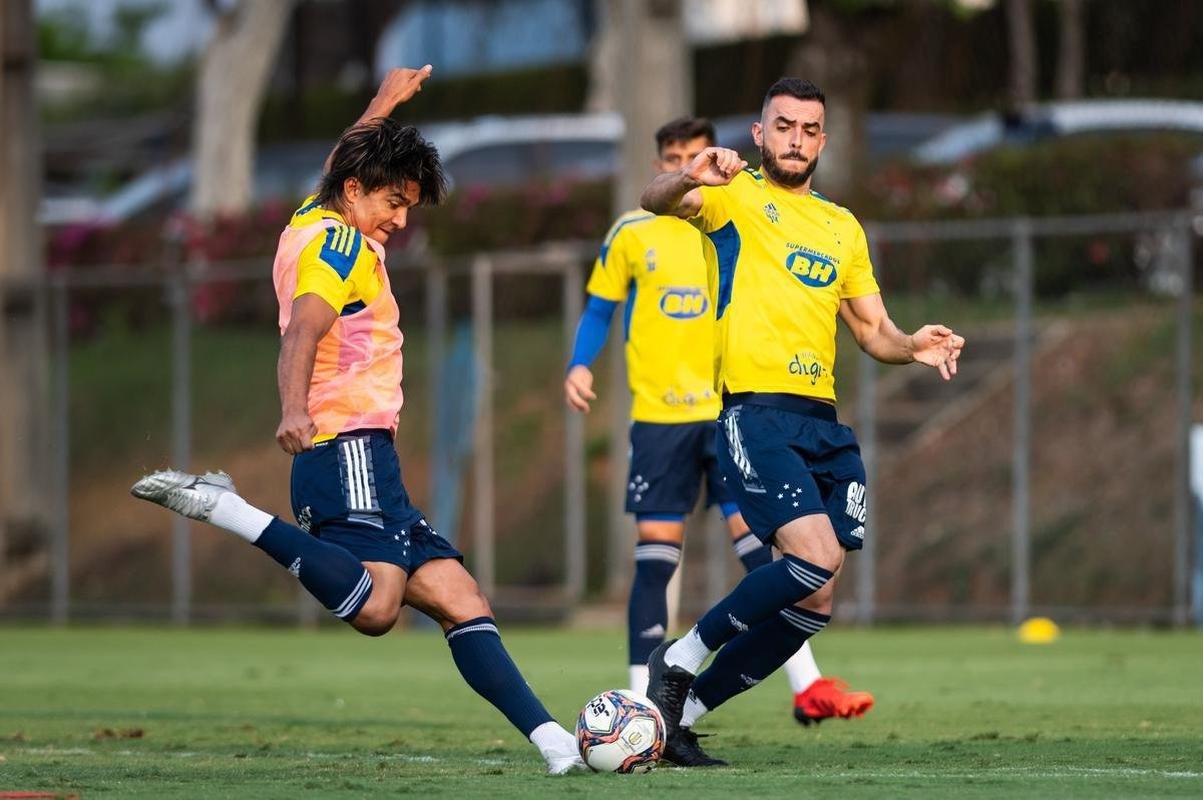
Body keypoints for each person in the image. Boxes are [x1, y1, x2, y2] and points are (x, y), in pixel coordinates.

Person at [131, 65, 586, 776]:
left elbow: (345, 160)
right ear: (355, 192)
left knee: (461, 598)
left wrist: (384, 104)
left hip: (372, 457)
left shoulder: (317, 217)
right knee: (377, 610)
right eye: (394, 202)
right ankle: (228, 510)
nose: (401, 220)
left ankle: (555, 745)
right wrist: (291, 407)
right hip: (342, 445)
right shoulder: (338, 246)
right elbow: (303, 332)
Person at [639, 78, 965, 766]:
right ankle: (682, 655)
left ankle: (680, 718)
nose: (794, 138)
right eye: (781, 125)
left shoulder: (840, 226)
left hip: (822, 422)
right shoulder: (730, 196)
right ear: (759, 134)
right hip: (752, 411)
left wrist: (912, 345)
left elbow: (873, 331)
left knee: (816, 601)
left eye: (808, 129)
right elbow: (652, 201)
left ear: (822, 138)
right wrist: (685, 175)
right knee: (810, 558)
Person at [564, 117, 874, 733]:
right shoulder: (636, 231)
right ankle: (642, 701)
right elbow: (600, 307)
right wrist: (578, 363)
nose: (682, 164)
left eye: (692, 155)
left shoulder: (732, 212)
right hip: (661, 415)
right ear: (659, 161)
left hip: (727, 409)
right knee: (657, 558)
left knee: (779, 559)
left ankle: (802, 684)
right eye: (671, 156)